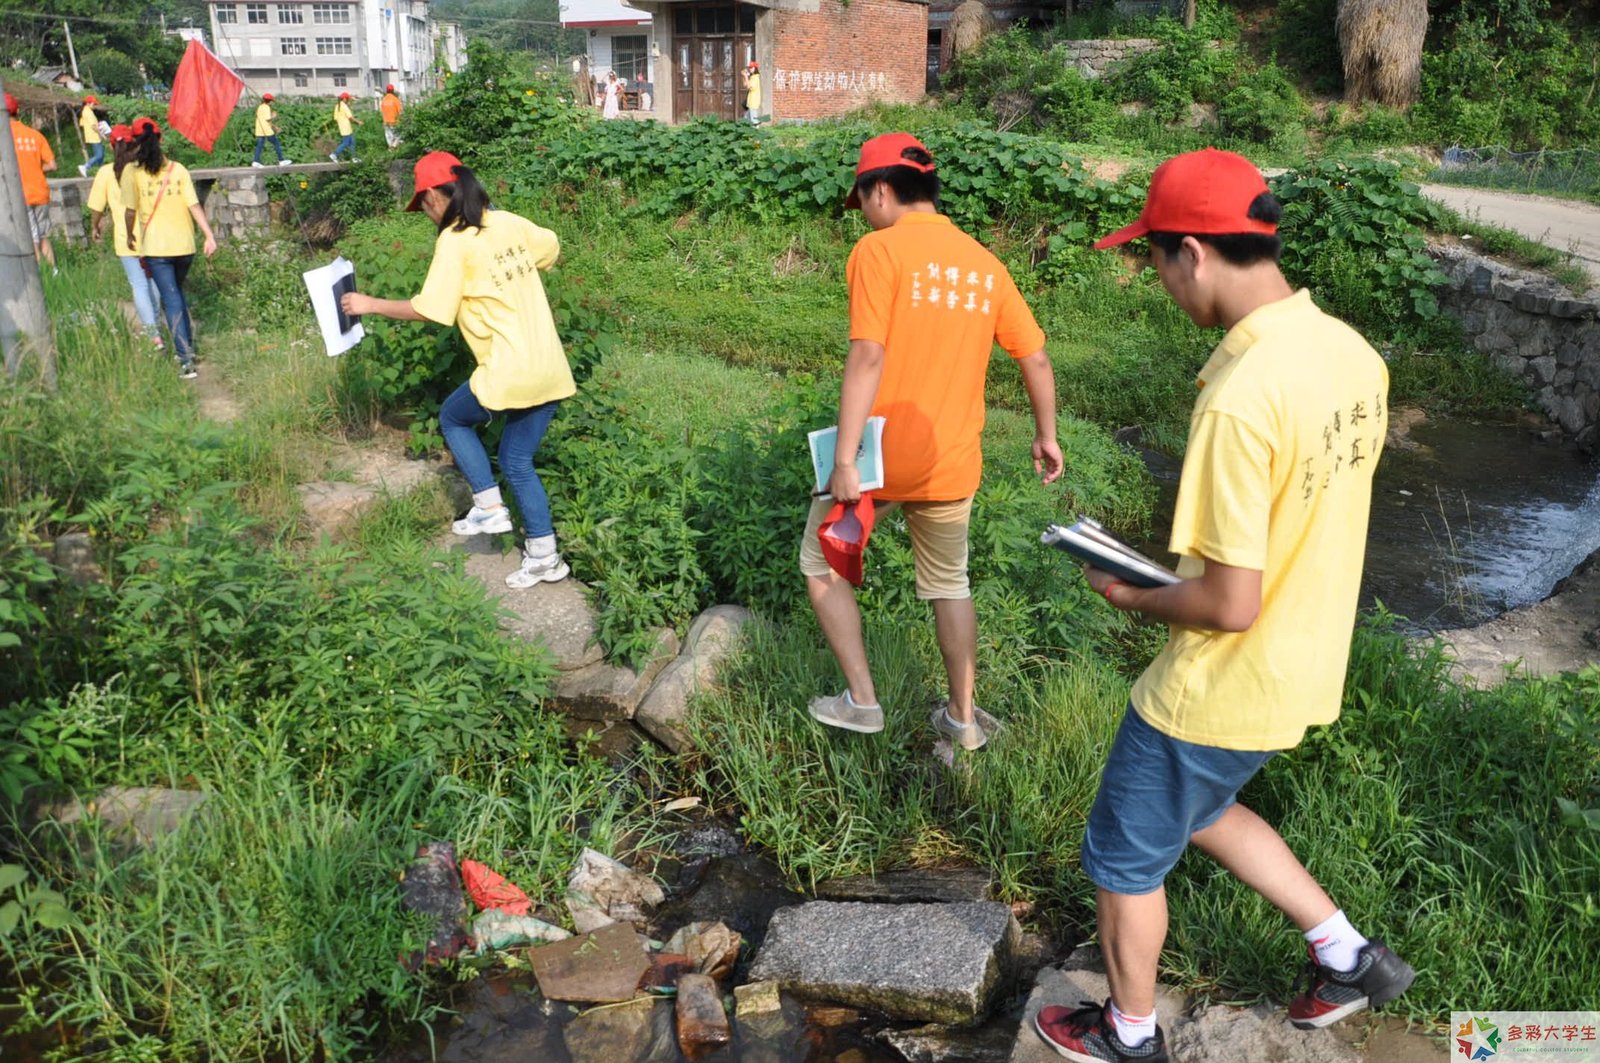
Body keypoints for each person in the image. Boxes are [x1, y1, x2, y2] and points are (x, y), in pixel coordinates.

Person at [1031, 148, 1412, 1063]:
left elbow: (1231, 603)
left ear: (1193, 253)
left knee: (1124, 854)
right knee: (1200, 807)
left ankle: (1128, 1034)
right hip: (1304, 665)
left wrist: (1131, 592)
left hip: (1218, 685)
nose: (1160, 280)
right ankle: (1349, 955)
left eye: (1156, 258)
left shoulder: (1241, 399)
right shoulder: (1352, 354)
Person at [802, 132, 1062, 752]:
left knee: (820, 563)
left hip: (879, 459)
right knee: (950, 582)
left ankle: (863, 701)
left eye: (863, 201)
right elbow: (1035, 356)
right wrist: (1046, 435)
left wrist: (845, 460)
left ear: (880, 190)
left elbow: (868, 355)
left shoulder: (878, 250)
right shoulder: (984, 263)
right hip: (950, 460)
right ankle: (962, 720)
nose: (865, 214)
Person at [339, 152, 577, 589]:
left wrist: (368, 304)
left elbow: (431, 309)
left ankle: (489, 506)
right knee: (516, 460)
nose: (426, 214)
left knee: (453, 417)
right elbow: (550, 248)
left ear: (433, 196)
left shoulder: (454, 239)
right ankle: (545, 557)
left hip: (509, 369)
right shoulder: (507, 221)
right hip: (549, 366)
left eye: (422, 206)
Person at [122, 117, 219, 380]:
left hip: (156, 248)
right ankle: (188, 348)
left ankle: (186, 360)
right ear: (161, 138)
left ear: (135, 142)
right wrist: (208, 235)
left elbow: (130, 211)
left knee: (171, 297)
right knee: (175, 294)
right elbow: (194, 206)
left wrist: (130, 234)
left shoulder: (132, 172)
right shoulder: (178, 169)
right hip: (185, 245)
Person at [88, 123, 163, 349]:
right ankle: (157, 327)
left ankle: (153, 334)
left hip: (126, 238)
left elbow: (97, 207)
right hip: (151, 235)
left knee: (139, 285)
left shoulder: (106, 173)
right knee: (153, 282)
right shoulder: (144, 168)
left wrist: (94, 226)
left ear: (112, 147)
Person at [7, 92, 58, 274]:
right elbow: (52, 165)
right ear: (17, 111)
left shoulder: (4, 137)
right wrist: (35, 167)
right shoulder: (35, 135)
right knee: (42, 235)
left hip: (20, 194)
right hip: (40, 193)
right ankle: (54, 271)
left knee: (31, 238)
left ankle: (38, 274)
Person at [252, 93, 291, 167]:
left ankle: (255, 161)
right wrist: (273, 115)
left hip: (260, 130)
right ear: (270, 101)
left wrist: (275, 127)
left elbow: (264, 120)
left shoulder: (259, 107)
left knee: (259, 146)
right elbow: (268, 119)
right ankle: (281, 160)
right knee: (276, 143)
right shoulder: (267, 107)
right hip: (267, 130)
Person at [77, 94, 104, 176]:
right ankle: (85, 166)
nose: (94, 105)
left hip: (92, 136)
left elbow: (83, 124)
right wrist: (101, 134)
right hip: (94, 136)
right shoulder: (88, 112)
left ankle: (101, 172)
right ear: (88, 103)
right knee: (99, 155)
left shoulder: (85, 111)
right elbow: (93, 126)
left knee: (101, 155)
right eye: (93, 104)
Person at [330, 92, 360, 161]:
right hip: (346, 127)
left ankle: (354, 158)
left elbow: (335, 118)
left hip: (342, 127)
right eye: (347, 99)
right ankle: (334, 154)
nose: (348, 100)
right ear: (344, 99)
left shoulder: (337, 106)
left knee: (352, 142)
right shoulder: (344, 106)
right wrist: (358, 122)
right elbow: (350, 118)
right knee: (346, 143)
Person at [380, 83, 403, 148]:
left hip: (386, 121)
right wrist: (402, 119)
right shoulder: (395, 99)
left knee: (388, 136)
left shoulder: (383, 100)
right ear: (393, 91)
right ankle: (394, 146)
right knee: (397, 135)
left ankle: (390, 147)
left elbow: (382, 110)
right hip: (394, 121)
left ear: (386, 91)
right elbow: (400, 111)